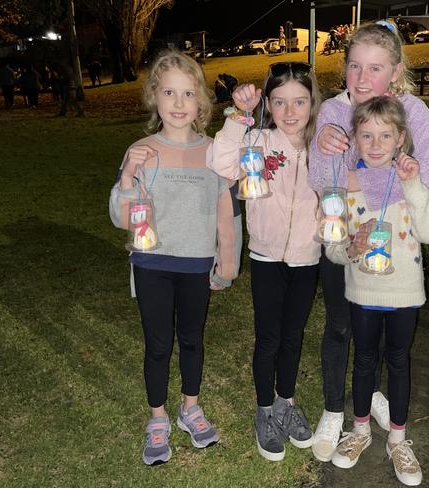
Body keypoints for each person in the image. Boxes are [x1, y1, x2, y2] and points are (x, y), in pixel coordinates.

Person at [307, 20, 429, 463]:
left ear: (394, 71)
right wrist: (326, 146)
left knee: (393, 352)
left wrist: (359, 171)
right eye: (354, 66)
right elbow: (322, 180)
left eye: (375, 68)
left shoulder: (412, 110)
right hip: (350, 243)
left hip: (401, 255)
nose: (363, 79)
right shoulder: (334, 112)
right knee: (345, 332)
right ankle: (343, 416)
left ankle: (387, 427)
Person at [108, 49, 242, 466]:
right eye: (169, 92)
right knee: (158, 344)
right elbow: (120, 217)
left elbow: (227, 214)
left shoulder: (214, 153)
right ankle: (158, 417)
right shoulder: (142, 149)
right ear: (154, 97)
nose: (179, 103)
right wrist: (129, 175)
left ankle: (190, 407)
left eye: (188, 93)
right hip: (152, 265)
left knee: (192, 339)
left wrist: (228, 262)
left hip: (196, 265)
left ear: (201, 101)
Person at [325, 95, 429, 486]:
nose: (375, 144)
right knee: (364, 360)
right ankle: (359, 430)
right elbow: (333, 246)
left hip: (405, 294)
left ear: (401, 139)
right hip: (362, 294)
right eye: (366, 136)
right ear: (355, 140)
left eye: (385, 136)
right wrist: (351, 248)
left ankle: (397, 438)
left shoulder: (412, 181)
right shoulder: (348, 187)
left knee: (398, 361)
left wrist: (414, 185)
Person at [211, 62, 321, 462]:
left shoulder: (322, 146)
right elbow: (220, 162)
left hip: (307, 258)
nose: (290, 112)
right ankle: (263, 409)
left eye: (300, 101)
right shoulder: (258, 140)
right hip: (266, 256)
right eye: (279, 102)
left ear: (313, 102)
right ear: (268, 106)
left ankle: (285, 402)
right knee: (269, 339)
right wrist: (239, 118)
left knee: (293, 335)